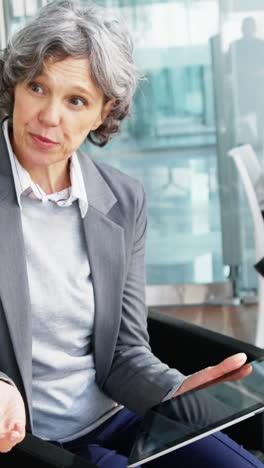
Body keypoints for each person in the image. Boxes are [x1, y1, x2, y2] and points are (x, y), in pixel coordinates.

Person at [0, 1, 262, 467]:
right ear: (15, 86)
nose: (49, 116)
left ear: (105, 112)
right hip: (30, 441)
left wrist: (174, 388)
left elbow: (123, 350)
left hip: (119, 413)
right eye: (37, 87)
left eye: (76, 100)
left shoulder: (122, 200)